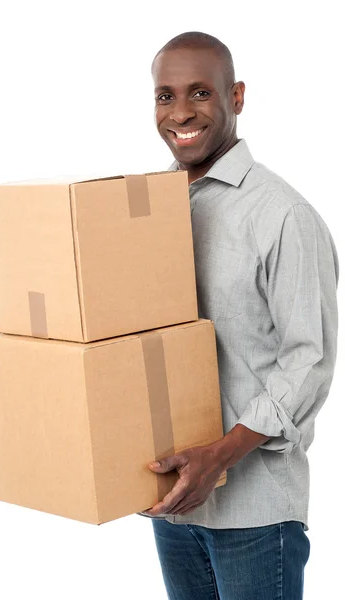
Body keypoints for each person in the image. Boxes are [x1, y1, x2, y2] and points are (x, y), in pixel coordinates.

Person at [142, 31, 339, 600]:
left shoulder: (282, 216)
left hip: (254, 513)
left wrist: (219, 458)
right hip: (174, 506)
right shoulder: (149, 211)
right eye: (165, 96)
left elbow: (310, 362)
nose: (181, 113)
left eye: (200, 93)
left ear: (238, 96)